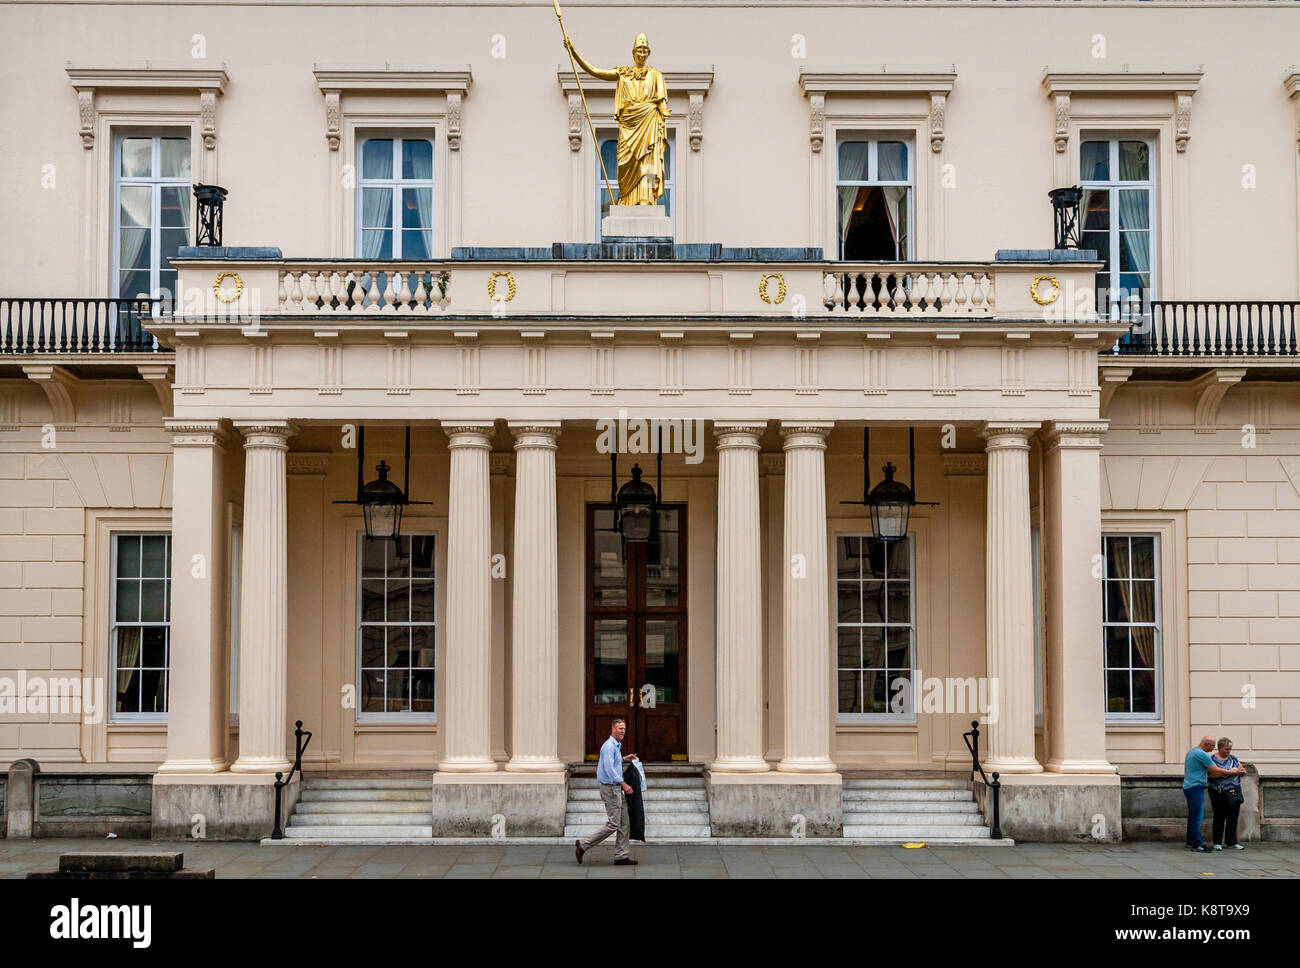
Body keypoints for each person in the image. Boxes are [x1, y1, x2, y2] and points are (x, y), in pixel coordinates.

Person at [565, 33, 670, 206]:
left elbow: (661, 102)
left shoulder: (656, 75)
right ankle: (627, 197)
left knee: (648, 162)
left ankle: (647, 198)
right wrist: (574, 53)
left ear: (648, 53)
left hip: (649, 120)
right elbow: (595, 71)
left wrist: (664, 112)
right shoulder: (623, 73)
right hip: (628, 124)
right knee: (623, 163)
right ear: (633, 52)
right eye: (639, 50)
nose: (642, 53)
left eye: (645, 50)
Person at [575, 717, 637, 866]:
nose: (623, 731)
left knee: (624, 822)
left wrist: (624, 759)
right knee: (614, 824)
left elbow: (612, 763)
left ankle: (621, 856)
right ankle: (583, 845)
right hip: (611, 789)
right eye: (620, 728)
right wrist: (625, 785)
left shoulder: (615, 746)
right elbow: (609, 770)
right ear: (613, 729)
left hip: (615, 788)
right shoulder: (609, 746)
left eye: (624, 728)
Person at [1183, 734, 1245, 853]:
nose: (1213, 748)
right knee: (1197, 818)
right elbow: (1215, 771)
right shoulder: (1202, 754)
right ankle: (1196, 844)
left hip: (1191, 786)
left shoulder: (1193, 751)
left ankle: (1191, 841)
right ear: (1206, 744)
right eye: (1212, 746)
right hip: (1196, 787)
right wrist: (1232, 772)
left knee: (1193, 816)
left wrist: (1236, 772)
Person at [1208, 737, 1246, 851]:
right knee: (1219, 816)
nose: (1228, 751)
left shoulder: (1233, 759)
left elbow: (1241, 770)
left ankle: (1232, 841)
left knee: (1233, 817)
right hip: (1218, 791)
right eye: (1226, 749)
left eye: (1230, 749)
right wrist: (1231, 772)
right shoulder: (1212, 760)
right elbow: (1212, 774)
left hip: (1234, 790)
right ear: (1219, 748)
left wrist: (1240, 772)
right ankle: (1217, 842)